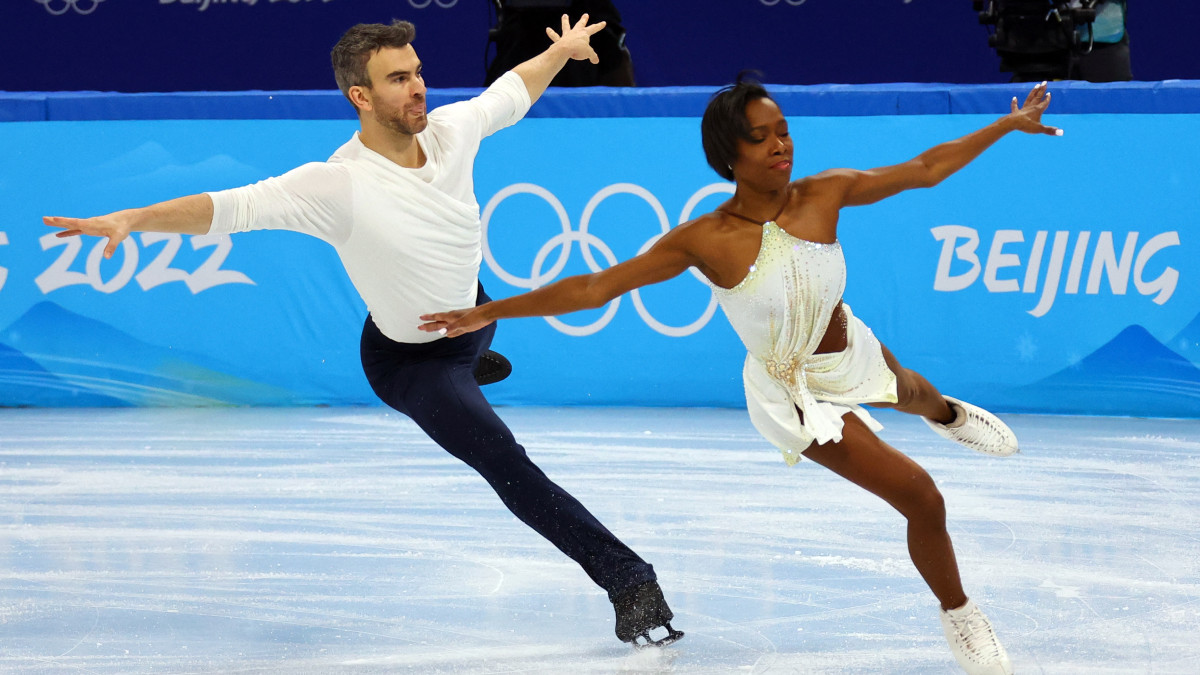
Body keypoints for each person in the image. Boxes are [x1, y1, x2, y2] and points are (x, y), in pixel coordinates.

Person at [42, 16, 682, 648]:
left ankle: (478, 359)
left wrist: (563, 52)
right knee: (503, 459)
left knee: (472, 314)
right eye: (398, 79)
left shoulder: (453, 132)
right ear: (361, 97)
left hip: (470, 315)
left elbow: (510, 90)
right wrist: (133, 216)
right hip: (409, 364)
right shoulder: (335, 185)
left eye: (419, 72)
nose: (418, 87)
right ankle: (629, 580)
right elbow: (227, 207)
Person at [419, 77, 1063, 674]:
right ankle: (960, 614)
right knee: (922, 495)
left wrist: (1008, 126)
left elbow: (924, 171)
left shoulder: (825, 193)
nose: (781, 145)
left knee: (919, 394)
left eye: (783, 129)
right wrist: (488, 309)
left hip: (849, 354)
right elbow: (594, 286)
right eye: (761, 137)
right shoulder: (706, 240)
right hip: (794, 393)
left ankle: (947, 416)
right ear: (729, 155)